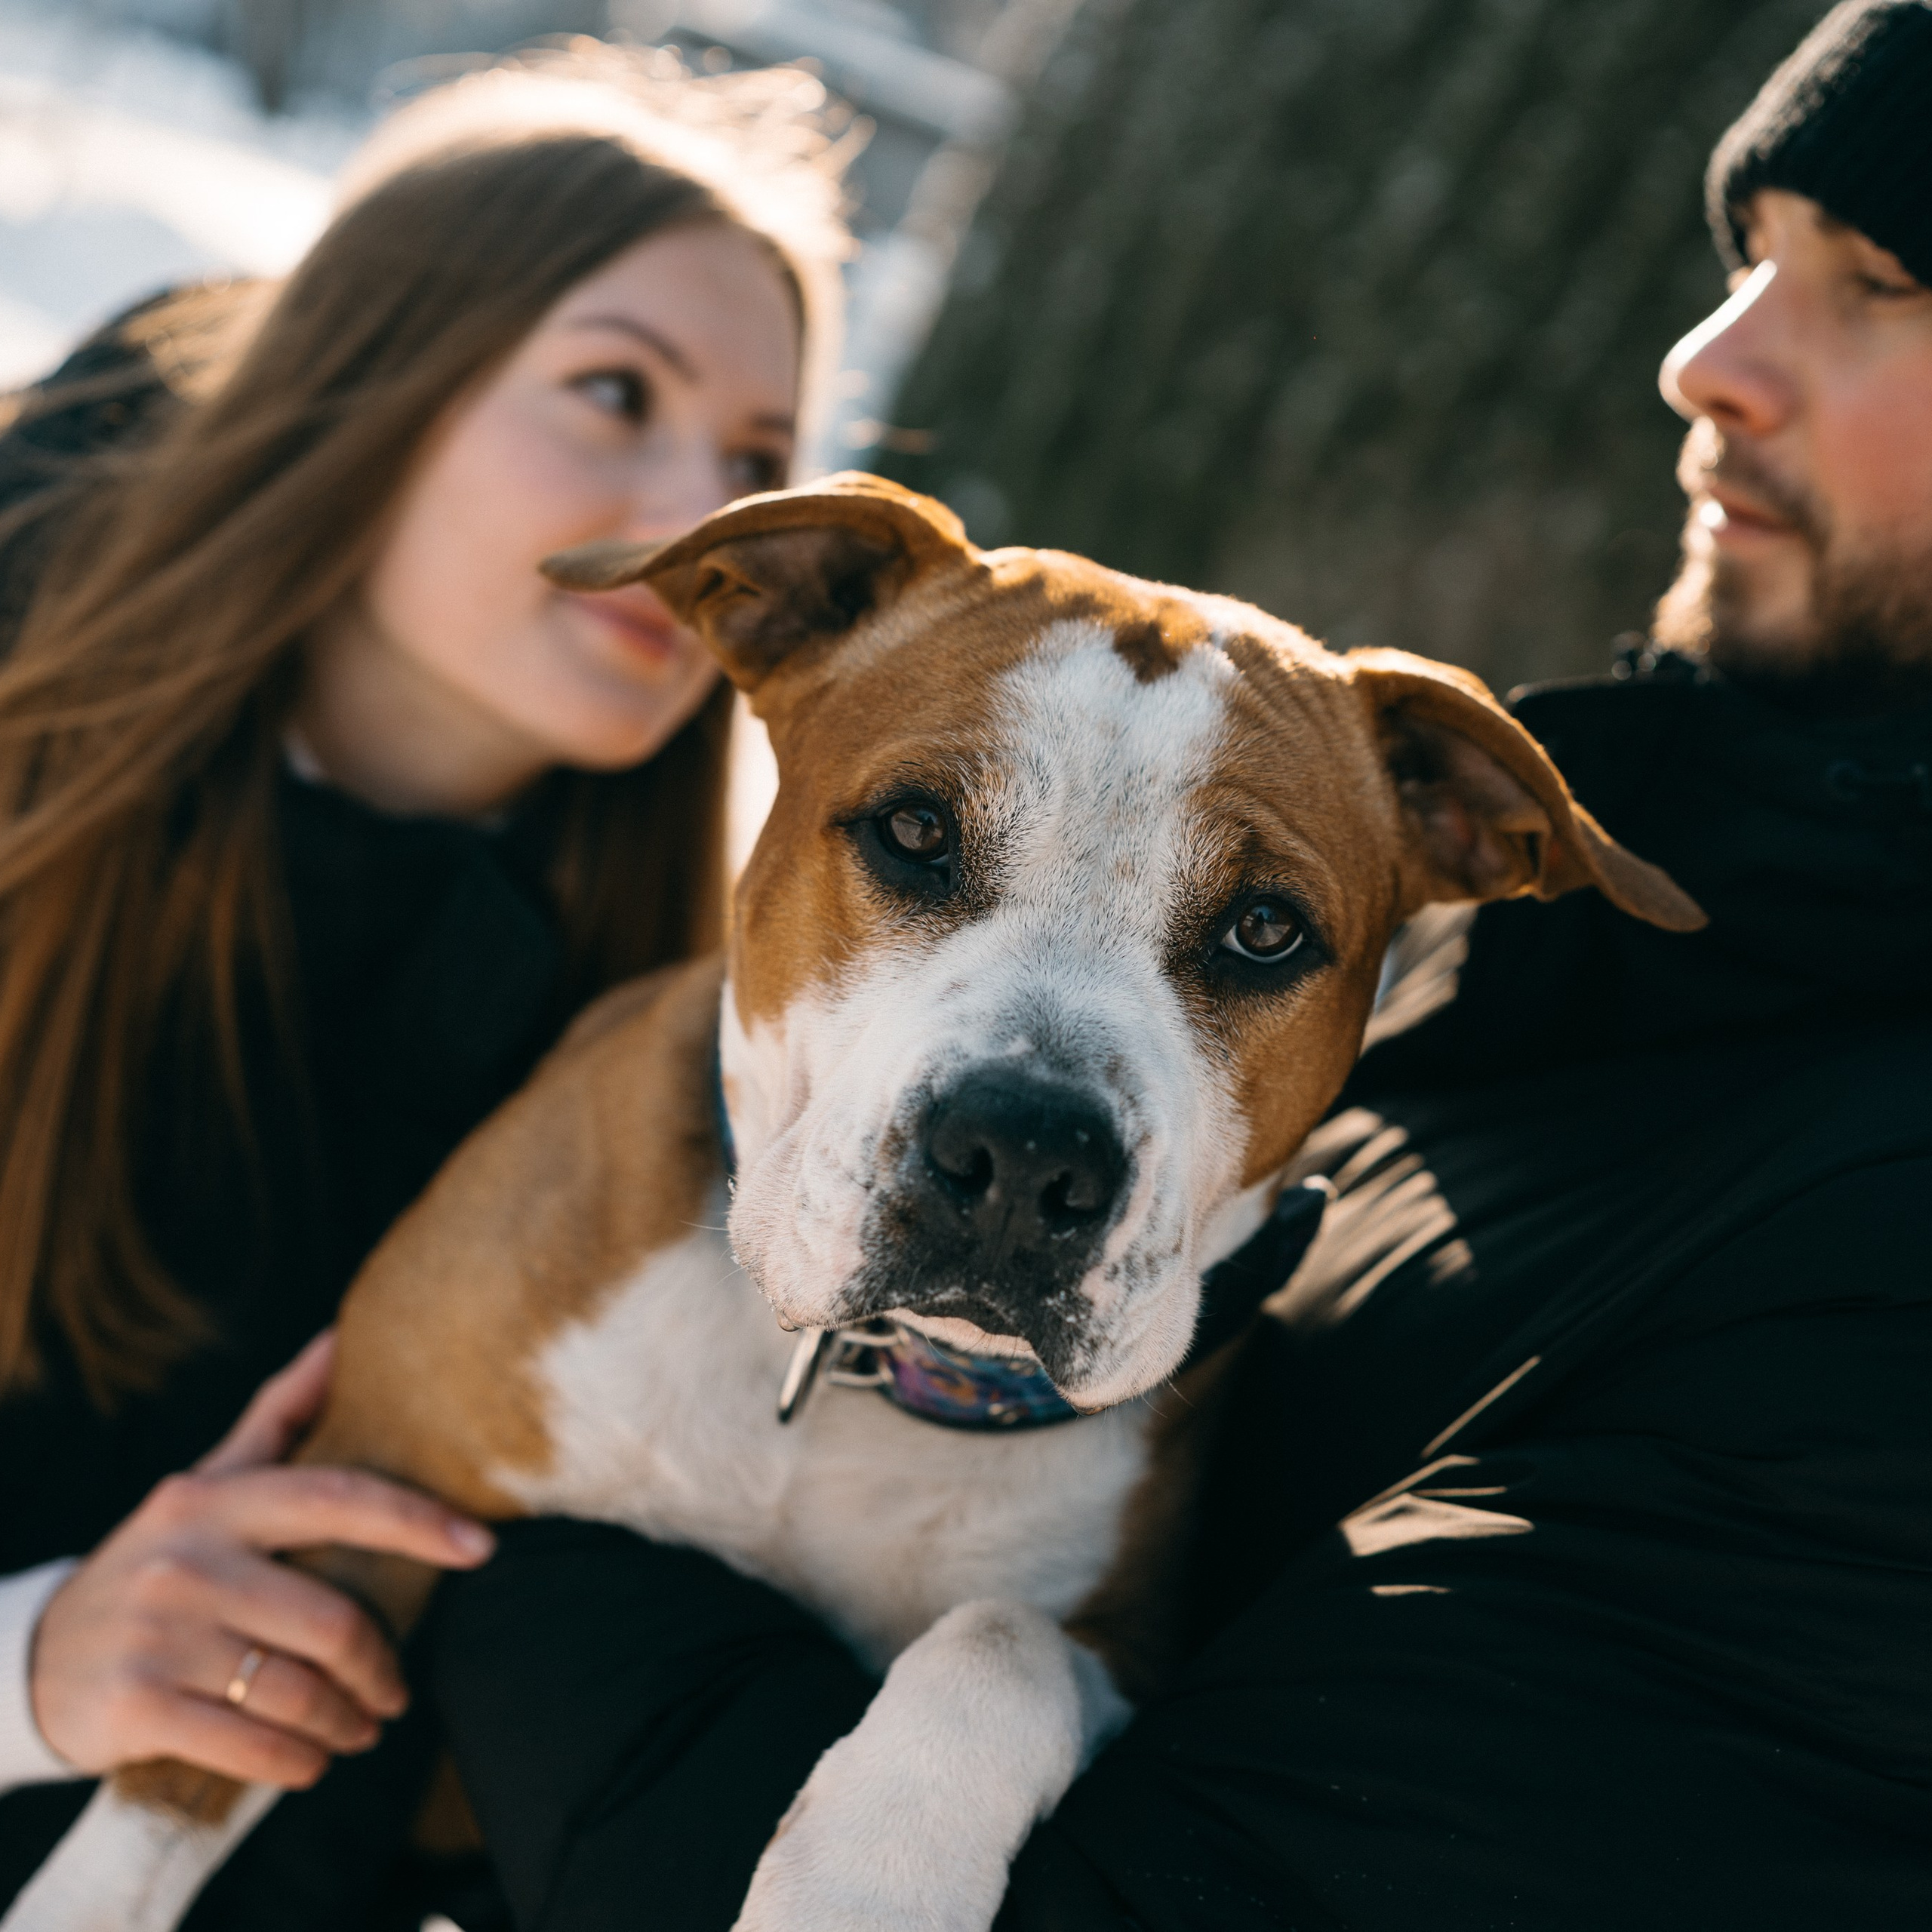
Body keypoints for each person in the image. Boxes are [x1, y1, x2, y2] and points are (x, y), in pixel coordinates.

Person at [420, 3, 1932, 1927]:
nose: (1700, 363)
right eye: (1742, 260)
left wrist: (496, 1562)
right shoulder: (1575, 950)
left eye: (1876, 281)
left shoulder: (1878, 1264)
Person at [0, 45, 844, 1928]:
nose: (690, 515)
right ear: (370, 382)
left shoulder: (658, 1047)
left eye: (754, 461)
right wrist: (39, 1657)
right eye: (614, 392)